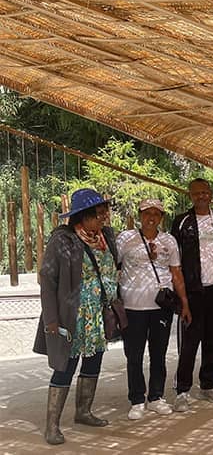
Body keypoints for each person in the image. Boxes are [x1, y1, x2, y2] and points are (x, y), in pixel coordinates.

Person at [34, 188, 117, 445]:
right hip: (72, 315)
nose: (104, 217)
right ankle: (52, 425)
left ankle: (83, 411)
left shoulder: (105, 238)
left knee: (93, 363)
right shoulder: (62, 240)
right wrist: (51, 320)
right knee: (64, 367)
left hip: (98, 315)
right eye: (99, 213)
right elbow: (47, 280)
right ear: (83, 216)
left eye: (104, 212)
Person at [117, 198, 190, 421]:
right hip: (132, 306)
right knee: (134, 354)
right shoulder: (125, 239)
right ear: (139, 215)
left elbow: (176, 273)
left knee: (158, 353)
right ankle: (137, 399)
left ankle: (156, 397)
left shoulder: (169, 241)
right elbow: (112, 266)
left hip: (161, 307)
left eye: (156, 214)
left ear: (161, 217)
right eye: (147, 213)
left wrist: (185, 303)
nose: (151, 217)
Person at [171, 178, 213, 412]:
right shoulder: (181, 223)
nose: (201, 196)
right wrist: (181, 297)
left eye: (205, 192)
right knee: (189, 343)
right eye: (196, 193)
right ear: (190, 196)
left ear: (211, 195)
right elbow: (174, 260)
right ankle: (182, 390)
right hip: (192, 293)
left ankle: (208, 385)